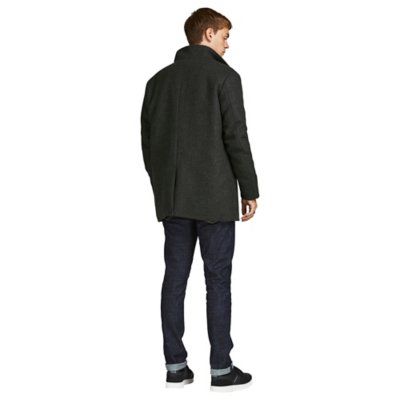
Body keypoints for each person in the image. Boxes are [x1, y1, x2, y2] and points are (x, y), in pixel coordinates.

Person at [140, 7, 259, 392]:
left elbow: (148, 143)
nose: (227, 44)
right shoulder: (225, 77)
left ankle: (175, 367)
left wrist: (163, 187)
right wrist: (249, 188)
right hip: (214, 199)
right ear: (208, 34)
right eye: (225, 36)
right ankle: (221, 370)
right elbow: (236, 136)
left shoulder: (157, 82)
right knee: (217, 280)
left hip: (173, 200)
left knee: (174, 278)